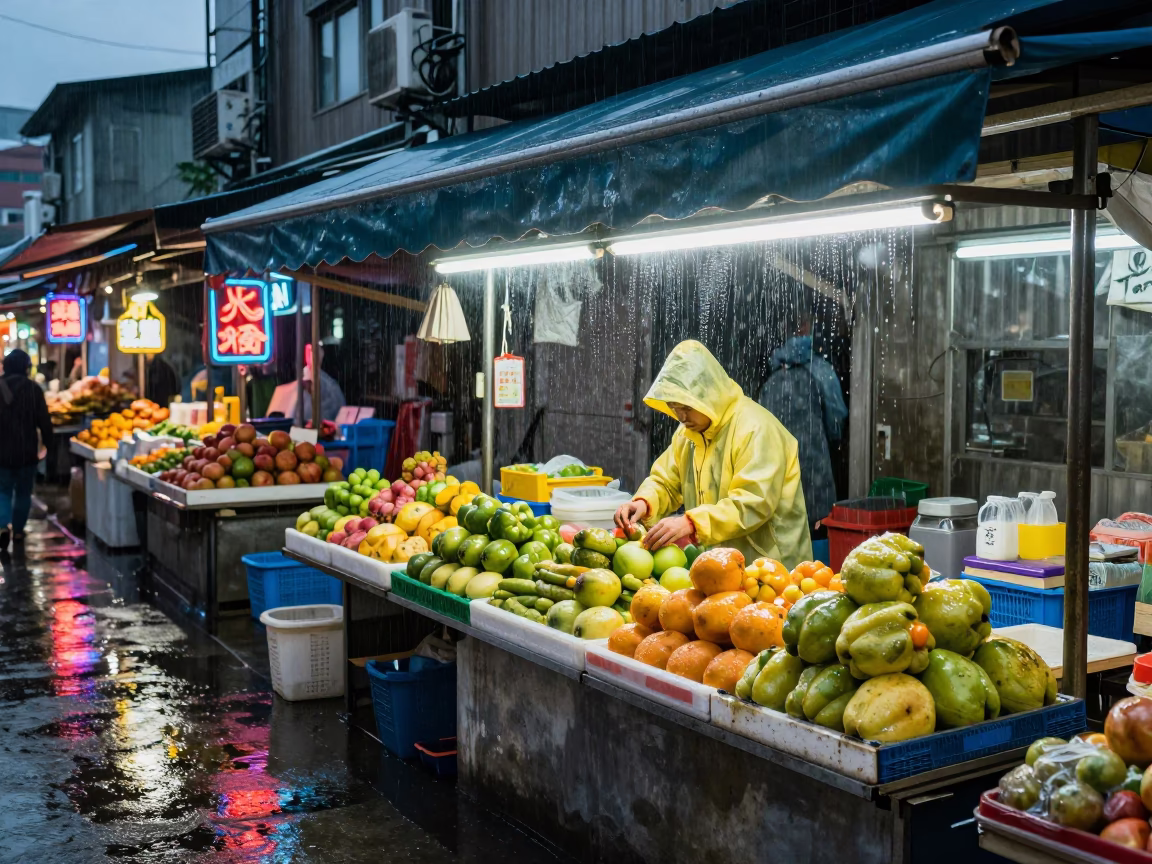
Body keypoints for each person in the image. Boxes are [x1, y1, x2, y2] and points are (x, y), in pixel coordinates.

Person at [615, 340, 812, 567]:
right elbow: (666, 482)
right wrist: (644, 503)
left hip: (772, 568)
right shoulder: (688, 433)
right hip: (721, 567)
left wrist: (691, 523)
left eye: (687, 408)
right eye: (674, 408)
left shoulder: (756, 429)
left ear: (708, 395)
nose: (682, 417)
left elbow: (752, 503)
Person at [758, 321, 848, 534]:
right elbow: (837, 421)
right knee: (816, 529)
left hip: (775, 470)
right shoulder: (821, 370)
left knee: (782, 530)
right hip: (815, 467)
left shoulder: (771, 381)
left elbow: (759, 429)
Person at [0, 349, 53, 550]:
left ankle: (3, 526)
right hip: (26, 451)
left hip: (2, 451)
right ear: (26, 367)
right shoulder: (33, 389)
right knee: (23, 492)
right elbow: (44, 422)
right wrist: (50, 444)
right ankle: (19, 531)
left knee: (3, 490)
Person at [301, 356, 346, 424]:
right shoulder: (304, 394)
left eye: (307, 383)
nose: (306, 388)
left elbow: (340, 419)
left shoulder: (331, 390)